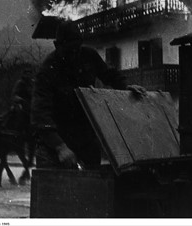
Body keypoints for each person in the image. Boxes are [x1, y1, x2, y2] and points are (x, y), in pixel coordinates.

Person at [31, 20, 145, 170]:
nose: (74, 55)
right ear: (58, 46)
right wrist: (60, 147)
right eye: (69, 51)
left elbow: (109, 74)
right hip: (55, 142)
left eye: (77, 49)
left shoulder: (88, 56)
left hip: (85, 139)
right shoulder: (48, 70)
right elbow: (40, 114)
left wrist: (126, 86)